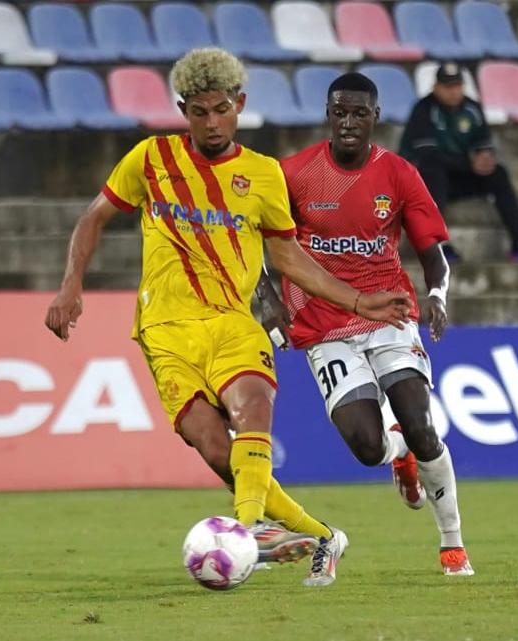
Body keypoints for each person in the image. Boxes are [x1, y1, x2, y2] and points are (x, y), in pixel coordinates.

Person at [44, 48, 412, 586]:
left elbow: (287, 257)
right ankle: (323, 537)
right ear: (182, 109)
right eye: (199, 112)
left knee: (252, 411)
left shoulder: (263, 175)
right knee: (218, 452)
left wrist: (357, 301)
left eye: (221, 110)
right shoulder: (151, 159)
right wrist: (71, 284)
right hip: (165, 332)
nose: (212, 123)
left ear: (239, 105)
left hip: (234, 324)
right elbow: (94, 216)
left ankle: (240, 540)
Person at [277, 71, 475, 576]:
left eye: (359, 113)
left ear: (375, 117)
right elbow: (268, 249)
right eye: (339, 112)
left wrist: (437, 296)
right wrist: (271, 308)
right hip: (323, 323)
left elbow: (435, 254)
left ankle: (452, 543)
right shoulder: (294, 174)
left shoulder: (400, 174)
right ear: (327, 114)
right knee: (367, 447)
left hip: (389, 314)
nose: (348, 122)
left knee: (422, 422)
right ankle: (396, 455)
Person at [399, 62, 518, 263]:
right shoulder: (423, 109)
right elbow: (427, 155)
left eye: (457, 85)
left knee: (498, 173)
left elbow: (483, 144)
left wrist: (485, 158)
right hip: (424, 184)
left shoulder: (472, 108)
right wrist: (469, 164)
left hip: (458, 178)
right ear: (436, 88)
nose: (453, 91)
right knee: (433, 170)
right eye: (447, 86)